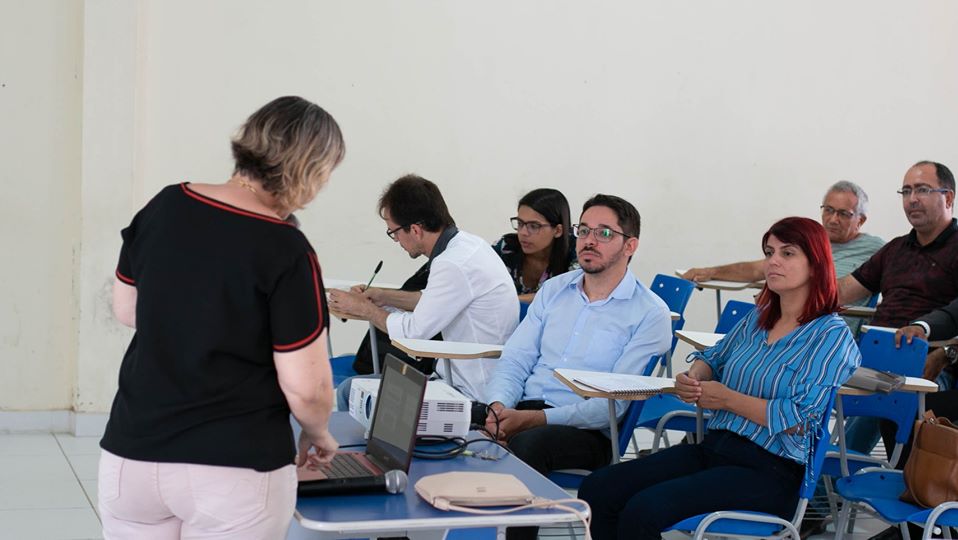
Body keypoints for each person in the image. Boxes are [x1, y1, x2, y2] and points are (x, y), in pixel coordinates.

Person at [98, 96, 344, 538]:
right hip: (235, 467)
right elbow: (306, 387)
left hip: (132, 455)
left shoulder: (166, 204)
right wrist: (318, 432)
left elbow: (127, 308)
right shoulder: (286, 249)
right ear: (311, 171)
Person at [579, 216, 861, 540]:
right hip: (716, 449)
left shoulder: (831, 336)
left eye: (787, 253)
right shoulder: (760, 318)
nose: (773, 262)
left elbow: (798, 418)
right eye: (769, 252)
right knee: (598, 487)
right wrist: (693, 377)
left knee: (644, 509)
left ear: (815, 265)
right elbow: (713, 357)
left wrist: (727, 399)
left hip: (772, 470)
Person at [483, 194, 672, 540]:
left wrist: (532, 420)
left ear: (630, 245)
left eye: (604, 233)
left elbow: (610, 406)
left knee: (529, 445)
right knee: (440, 421)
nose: (589, 240)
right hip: (522, 409)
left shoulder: (649, 314)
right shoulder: (554, 290)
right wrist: (498, 407)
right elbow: (516, 359)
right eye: (583, 230)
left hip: (588, 430)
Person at [330, 175, 519, 404]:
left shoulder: (453, 263)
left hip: (472, 392)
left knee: (349, 391)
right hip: (459, 377)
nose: (396, 240)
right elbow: (432, 301)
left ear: (415, 230)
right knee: (354, 387)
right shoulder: (467, 246)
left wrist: (364, 309)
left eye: (394, 232)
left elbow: (414, 333)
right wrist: (381, 296)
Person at [836, 161, 958, 454]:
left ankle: (837, 470)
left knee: (883, 395)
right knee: (821, 383)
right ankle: (832, 467)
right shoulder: (895, 249)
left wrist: (945, 351)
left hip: (928, 363)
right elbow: (842, 291)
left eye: (922, 190)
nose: (912, 199)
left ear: (948, 198)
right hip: (875, 357)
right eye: (906, 191)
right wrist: (790, 292)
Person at [681, 180, 884, 291]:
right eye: (828, 210)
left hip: (832, 329)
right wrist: (710, 272)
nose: (833, 219)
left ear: (861, 220)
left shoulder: (878, 251)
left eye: (843, 214)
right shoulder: (807, 239)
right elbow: (757, 269)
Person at [492, 188, 578, 302]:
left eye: (534, 226)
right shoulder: (506, 247)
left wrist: (513, 301)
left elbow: (570, 296)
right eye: (520, 223)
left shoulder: (577, 251)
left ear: (558, 230)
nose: (523, 232)